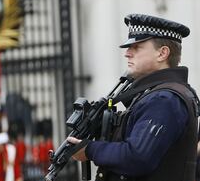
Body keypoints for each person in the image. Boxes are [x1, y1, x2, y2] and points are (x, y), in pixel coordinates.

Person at [68, 14, 199, 181]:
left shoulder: (164, 99)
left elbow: (138, 158)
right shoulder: (156, 94)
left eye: (136, 47)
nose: (127, 54)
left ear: (162, 53)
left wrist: (89, 150)